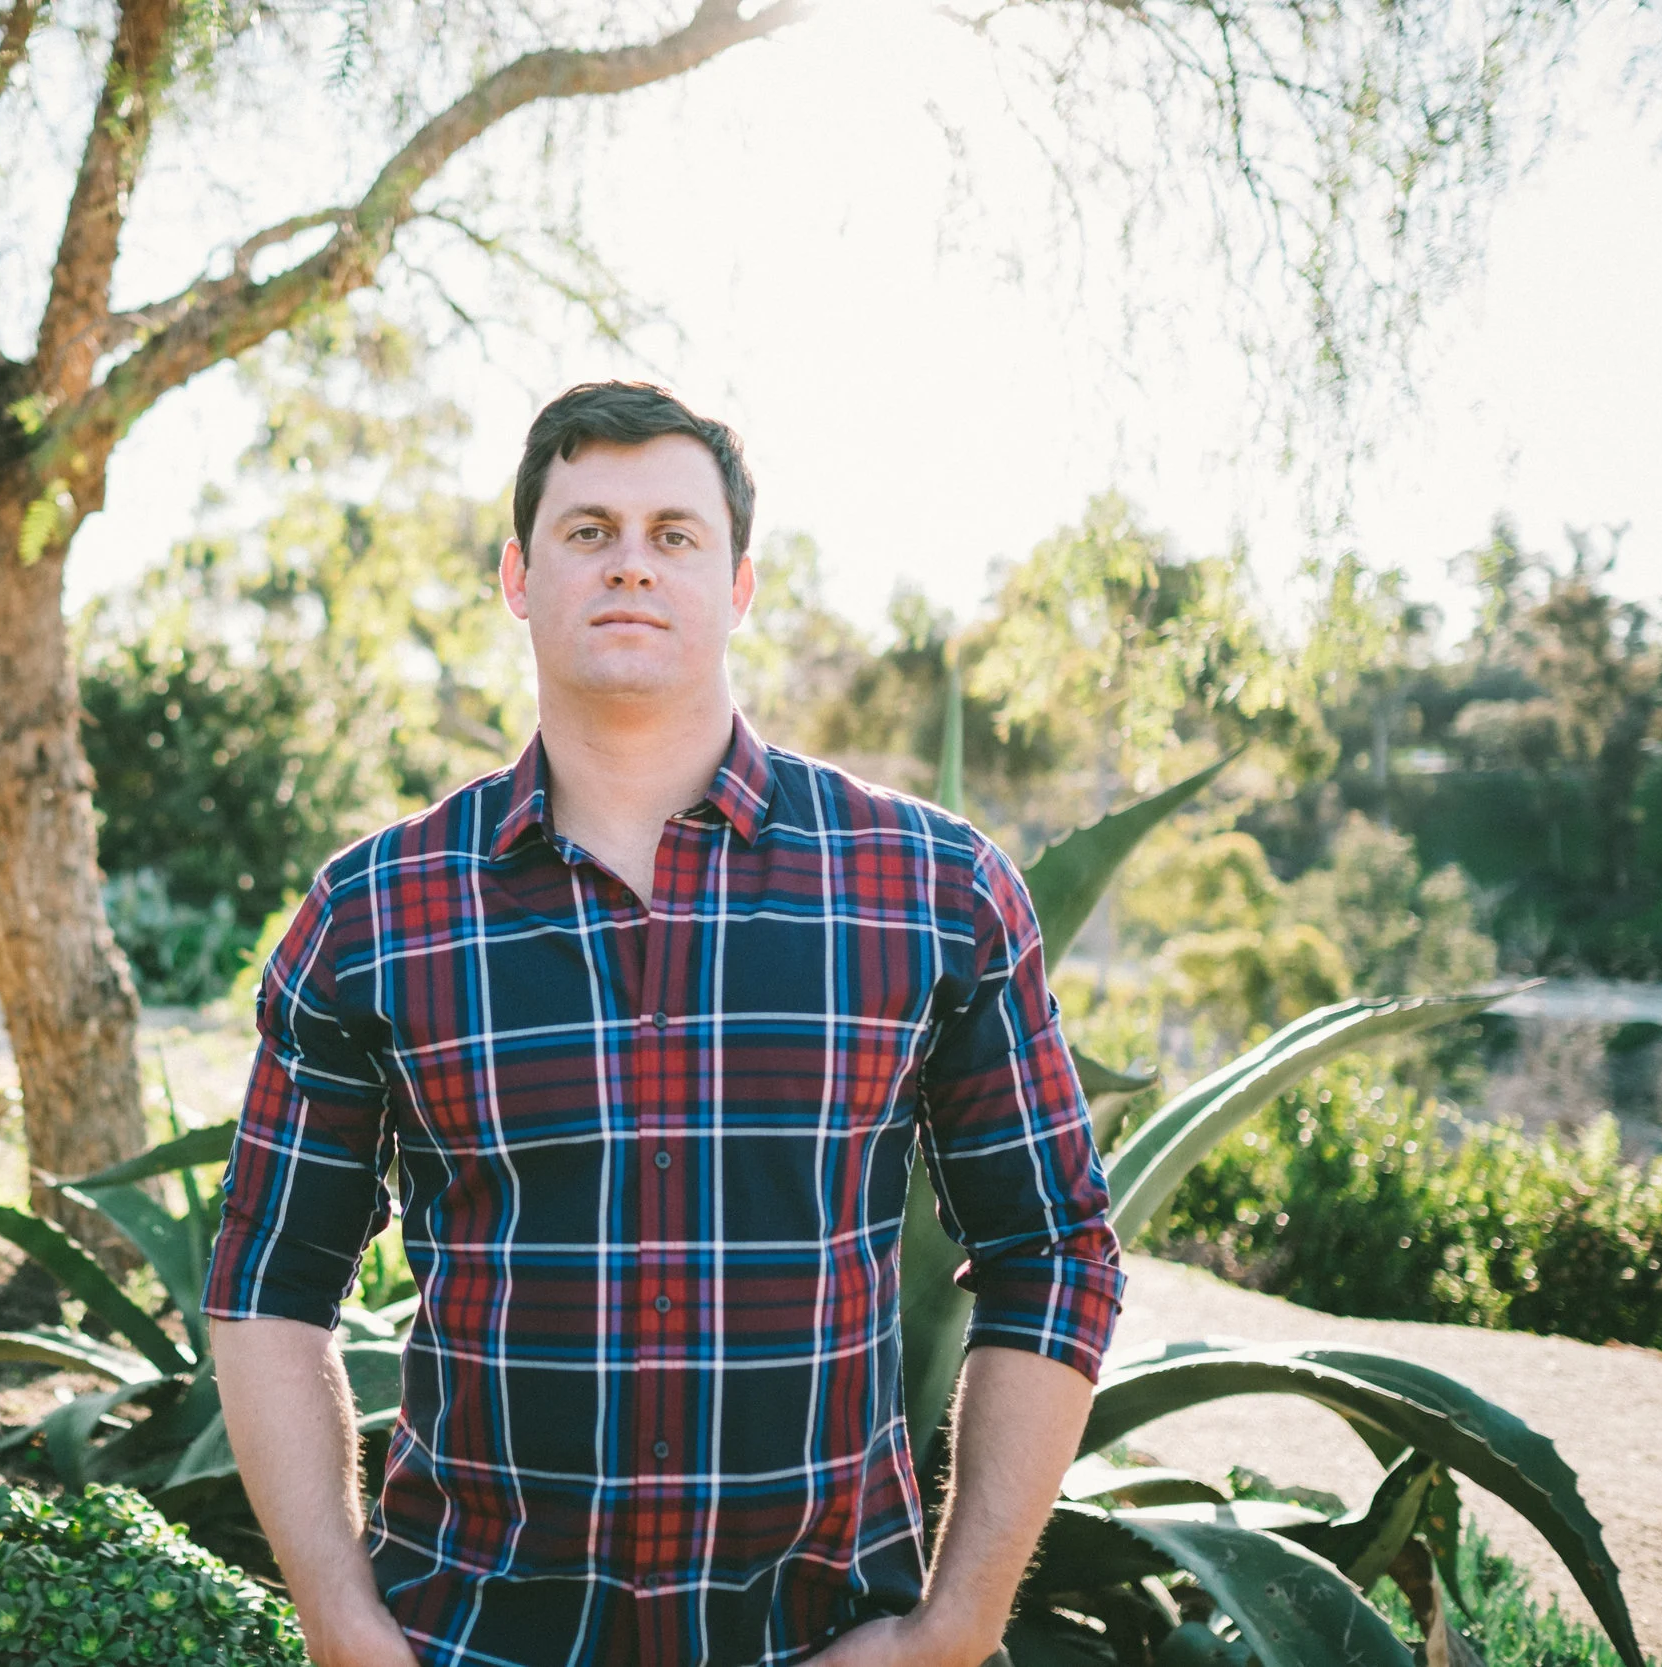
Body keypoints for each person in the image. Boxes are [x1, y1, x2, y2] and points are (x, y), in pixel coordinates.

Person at [204, 381, 1125, 1667]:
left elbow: (1054, 1248)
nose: (630, 563)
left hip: (820, 1641)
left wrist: (955, 1626)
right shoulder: (376, 912)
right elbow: (269, 1273)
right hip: (468, 1636)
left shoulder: (934, 889)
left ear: (737, 585)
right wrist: (341, 1622)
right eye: (588, 530)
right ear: (519, 577)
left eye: (673, 534)